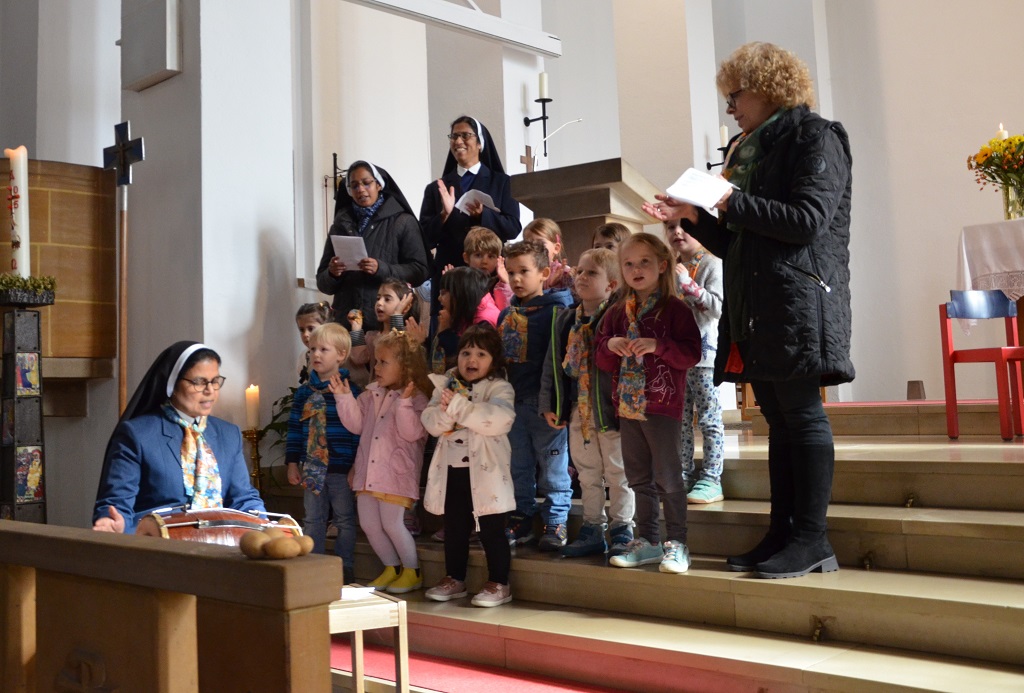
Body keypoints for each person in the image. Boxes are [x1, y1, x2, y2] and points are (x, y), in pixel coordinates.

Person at [643, 41, 853, 579]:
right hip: (759, 299)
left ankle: (812, 539)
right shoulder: (751, 151)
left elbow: (807, 220)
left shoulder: (816, 137)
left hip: (799, 299)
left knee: (801, 415)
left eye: (735, 95)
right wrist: (692, 217)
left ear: (767, 87)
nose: (731, 107)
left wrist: (726, 198)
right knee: (778, 418)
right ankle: (783, 532)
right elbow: (739, 242)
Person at [595, 233, 701, 574]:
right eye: (628, 263)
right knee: (638, 477)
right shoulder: (615, 312)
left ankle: (678, 543)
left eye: (644, 262)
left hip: (662, 407)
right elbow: (600, 357)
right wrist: (610, 345)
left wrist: (658, 346)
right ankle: (649, 541)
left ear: (662, 266)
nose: (636, 269)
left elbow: (691, 353)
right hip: (628, 407)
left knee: (668, 478)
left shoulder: (676, 309)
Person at [93, 341, 265, 534]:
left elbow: (243, 498)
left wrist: (264, 522)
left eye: (215, 381)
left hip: (219, 543)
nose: (210, 390)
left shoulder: (229, 434)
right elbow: (117, 504)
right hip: (158, 542)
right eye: (199, 382)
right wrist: (114, 523)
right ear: (172, 384)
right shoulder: (137, 434)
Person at [541, 248, 635, 558]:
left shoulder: (619, 315)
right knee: (588, 472)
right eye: (579, 271)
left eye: (591, 272)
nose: (581, 277)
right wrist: (550, 403)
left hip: (611, 410)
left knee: (618, 472)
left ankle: (622, 529)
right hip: (578, 409)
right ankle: (593, 527)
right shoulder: (566, 318)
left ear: (611, 284)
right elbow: (553, 365)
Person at [421, 324, 516, 608]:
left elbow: (499, 419)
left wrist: (459, 407)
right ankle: (455, 578)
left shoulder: (499, 387)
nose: (471, 360)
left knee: (491, 529)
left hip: (487, 474)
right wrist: (445, 411)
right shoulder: (446, 384)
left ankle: (499, 582)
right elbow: (431, 422)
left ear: (493, 360)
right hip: (452, 471)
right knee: (454, 527)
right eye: (465, 353)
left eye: (481, 354)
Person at [334, 330, 432, 594]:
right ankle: (392, 567)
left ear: (405, 366)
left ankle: (412, 571)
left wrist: (404, 404)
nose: (376, 367)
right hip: (368, 473)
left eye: (383, 362)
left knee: (392, 524)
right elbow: (356, 425)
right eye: (376, 361)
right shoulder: (370, 395)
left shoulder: (417, 398)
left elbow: (412, 433)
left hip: (396, 475)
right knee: (369, 525)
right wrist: (344, 398)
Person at [497, 240, 574, 550]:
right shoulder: (507, 314)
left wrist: (556, 403)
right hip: (513, 403)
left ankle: (556, 520)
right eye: (511, 272)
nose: (516, 279)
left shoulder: (557, 311)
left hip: (546, 406)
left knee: (553, 467)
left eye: (524, 271)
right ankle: (522, 516)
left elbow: (559, 363)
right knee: (519, 465)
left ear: (543, 273)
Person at [419, 116, 521, 314]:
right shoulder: (436, 188)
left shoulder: (502, 182)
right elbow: (424, 239)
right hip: (449, 275)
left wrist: (483, 215)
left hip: (488, 276)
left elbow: (513, 227)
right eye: (454, 136)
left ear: (480, 143)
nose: (458, 141)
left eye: (465, 135)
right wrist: (443, 216)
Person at [285, 323, 361, 578]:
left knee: (344, 519)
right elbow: (295, 429)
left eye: (323, 349)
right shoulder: (304, 393)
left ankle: (345, 566)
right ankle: (314, 566)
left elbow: (358, 431)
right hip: (313, 467)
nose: (316, 354)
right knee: (313, 518)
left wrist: (356, 465)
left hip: (341, 467)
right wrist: (292, 462)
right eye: (313, 349)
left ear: (341, 354)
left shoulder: (351, 390)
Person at [317, 160, 429, 333]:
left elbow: (420, 271)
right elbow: (323, 283)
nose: (360, 189)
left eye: (366, 183)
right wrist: (332, 273)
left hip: (385, 323)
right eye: (354, 186)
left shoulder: (403, 222)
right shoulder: (340, 225)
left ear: (379, 185)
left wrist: (381, 269)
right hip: (346, 321)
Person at [666, 219, 726, 504]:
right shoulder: (671, 267)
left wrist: (688, 285)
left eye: (685, 226)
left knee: (709, 418)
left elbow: (717, 308)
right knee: (679, 421)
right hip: (676, 356)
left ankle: (712, 478)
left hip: (704, 356)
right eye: (670, 226)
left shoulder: (712, 263)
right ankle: (683, 473)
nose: (677, 232)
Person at [347, 279, 422, 387]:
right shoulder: (373, 336)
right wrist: (356, 328)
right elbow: (359, 358)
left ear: (406, 306)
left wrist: (397, 313)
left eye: (387, 299)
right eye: (378, 298)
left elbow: (397, 346)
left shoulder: (408, 333)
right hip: (376, 392)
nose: (379, 303)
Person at [429, 266, 499, 374]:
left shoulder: (484, 321)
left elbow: (467, 358)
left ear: (459, 293)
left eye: (443, 293)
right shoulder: (469, 310)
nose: (439, 298)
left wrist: (445, 331)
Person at [463, 226, 512, 311]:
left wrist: (505, 284)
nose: (484, 261)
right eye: (478, 255)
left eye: (491, 256)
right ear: (466, 257)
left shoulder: (499, 285)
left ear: (498, 259)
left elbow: (507, 311)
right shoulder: (462, 282)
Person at [523, 218, 573, 292]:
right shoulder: (523, 271)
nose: (533, 248)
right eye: (528, 244)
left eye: (540, 243)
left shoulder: (563, 273)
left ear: (556, 248)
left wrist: (553, 285)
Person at [296, 302, 332, 384]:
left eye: (311, 329)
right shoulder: (304, 356)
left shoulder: (334, 354)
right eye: (302, 330)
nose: (305, 334)